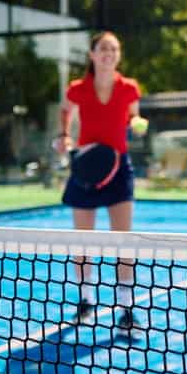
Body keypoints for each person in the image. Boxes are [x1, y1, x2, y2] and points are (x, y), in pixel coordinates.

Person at [54, 30, 148, 330]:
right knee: (84, 242)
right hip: (85, 169)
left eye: (114, 49)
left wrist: (135, 123)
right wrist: (64, 135)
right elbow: (66, 111)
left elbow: (134, 116)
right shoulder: (78, 88)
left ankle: (126, 309)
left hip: (119, 169)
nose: (109, 53)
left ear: (118, 56)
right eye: (103, 49)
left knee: (123, 242)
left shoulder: (129, 88)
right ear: (93, 55)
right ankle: (85, 301)